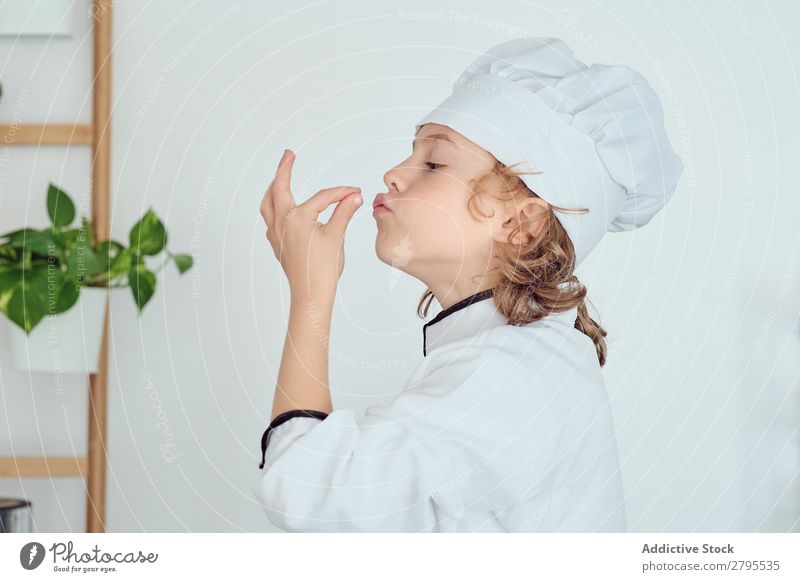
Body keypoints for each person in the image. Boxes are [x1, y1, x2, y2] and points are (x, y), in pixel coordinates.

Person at [253, 37, 683, 532]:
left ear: (522, 224)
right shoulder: (521, 358)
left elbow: (304, 489)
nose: (393, 174)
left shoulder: (512, 375)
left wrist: (311, 290)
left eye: (434, 163)